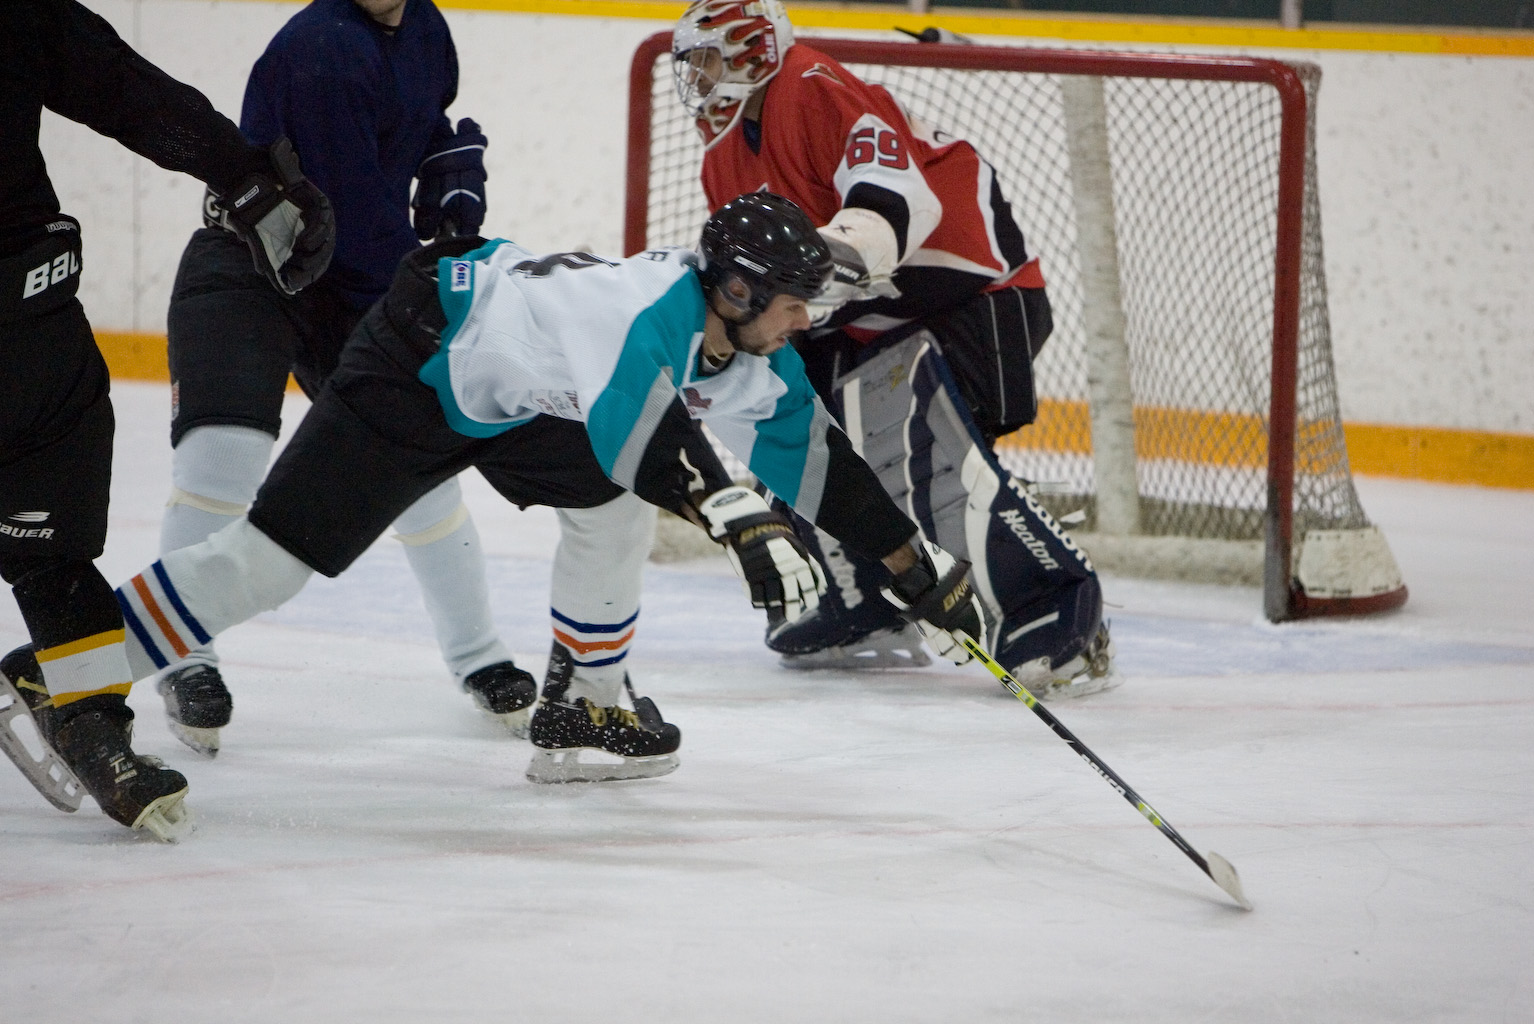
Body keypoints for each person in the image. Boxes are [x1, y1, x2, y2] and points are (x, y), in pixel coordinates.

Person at [108, 192, 988, 790]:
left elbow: (819, 466)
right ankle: (69, 675)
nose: (808, 321)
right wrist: (736, 513)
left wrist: (919, 568)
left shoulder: (744, 344)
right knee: (270, 565)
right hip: (419, 365)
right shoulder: (642, 314)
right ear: (737, 288)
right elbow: (633, 426)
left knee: (610, 508)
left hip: (517, 400)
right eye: (795, 305)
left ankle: (583, 710)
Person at [671, 0, 1118, 699]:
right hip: (869, 319)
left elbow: (897, 197)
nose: (696, 79)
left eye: (707, 60)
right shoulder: (723, 155)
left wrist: (842, 252)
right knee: (793, 413)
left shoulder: (810, 86)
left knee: (919, 450)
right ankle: (860, 598)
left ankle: (1054, 603)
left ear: (753, 52)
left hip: (968, 292)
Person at [151, 0, 526, 758]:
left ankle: (479, 655)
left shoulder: (425, 29)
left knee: (422, 479)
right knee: (222, 454)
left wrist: (443, 165)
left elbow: (412, 130)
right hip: (253, 267)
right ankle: (184, 655)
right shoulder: (323, 49)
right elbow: (351, 217)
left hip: (352, 277)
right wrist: (430, 293)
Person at [0, 0, 334, 840]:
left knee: (54, 540)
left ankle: (88, 722)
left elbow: (117, 85)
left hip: (31, 323)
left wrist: (240, 170)